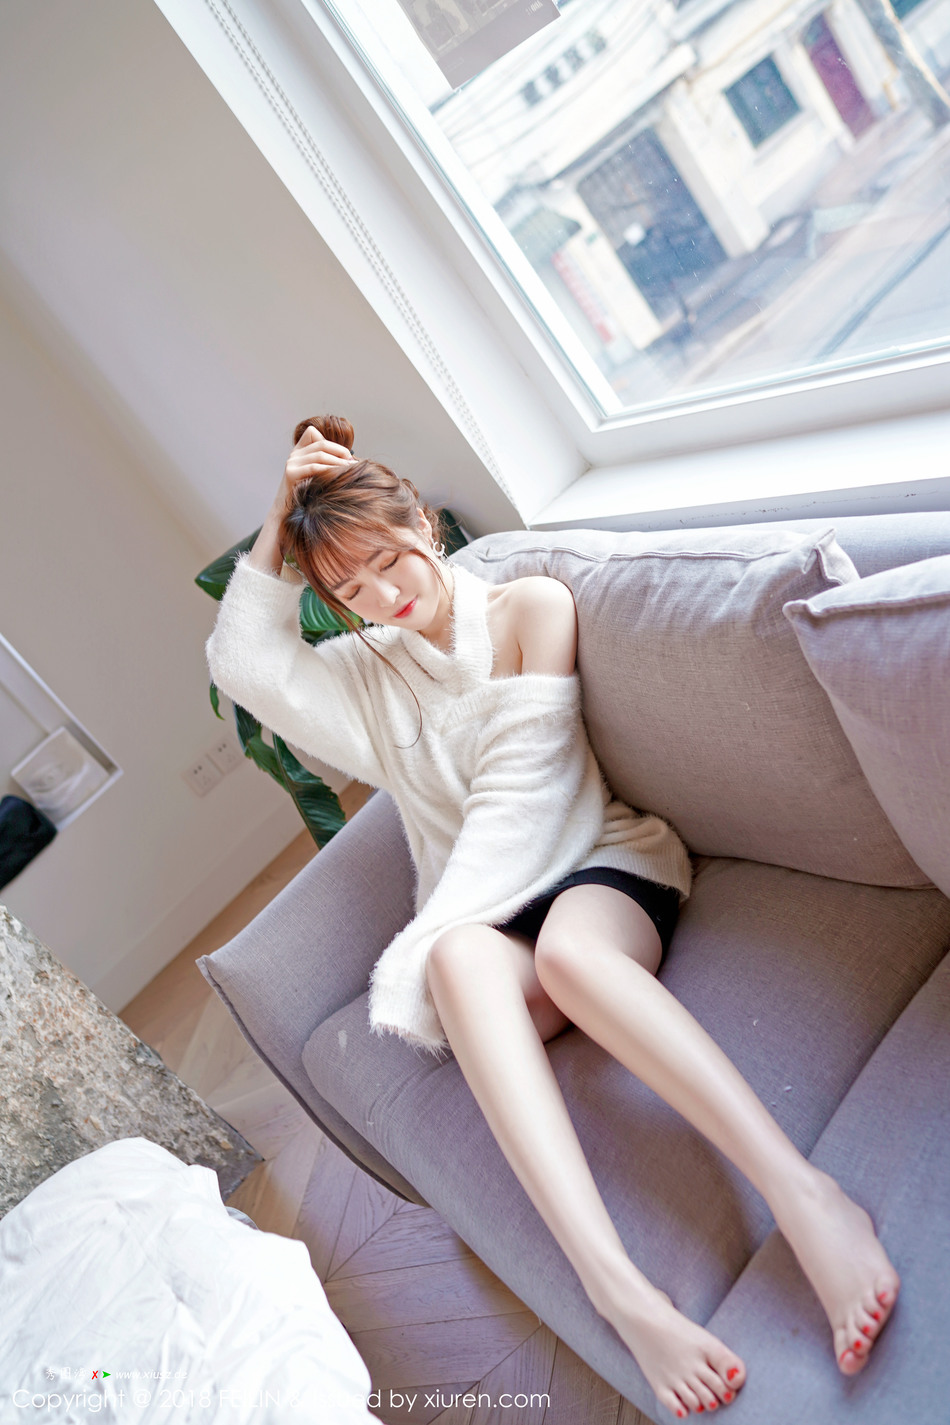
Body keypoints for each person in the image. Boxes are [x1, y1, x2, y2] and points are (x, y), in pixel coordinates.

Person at [206, 416, 900, 1420]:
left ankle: (805, 1197)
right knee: (457, 959)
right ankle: (620, 1294)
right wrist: (281, 514)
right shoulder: (364, 678)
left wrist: (433, 934)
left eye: (388, 559)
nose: (384, 596)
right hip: (495, 925)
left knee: (562, 954)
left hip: (596, 868)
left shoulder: (528, 606)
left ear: (424, 524)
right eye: (351, 591)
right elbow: (244, 662)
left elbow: (525, 797)